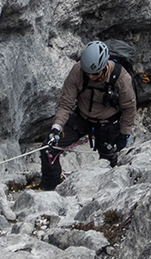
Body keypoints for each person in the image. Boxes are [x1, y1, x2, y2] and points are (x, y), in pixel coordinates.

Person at [40, 40, 136, 190]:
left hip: (107, 123)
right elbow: (66, 104)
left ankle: (106, 193)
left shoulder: (121, 78)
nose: (91, 77)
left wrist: (124, 134)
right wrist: (56, 128)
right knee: (49, 148)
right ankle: (49, 187)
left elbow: (129, 108)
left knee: (108, 160)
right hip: (81, 117)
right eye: (88, 73)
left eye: (95, 74)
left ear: (105, 65)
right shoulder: (78, 71)